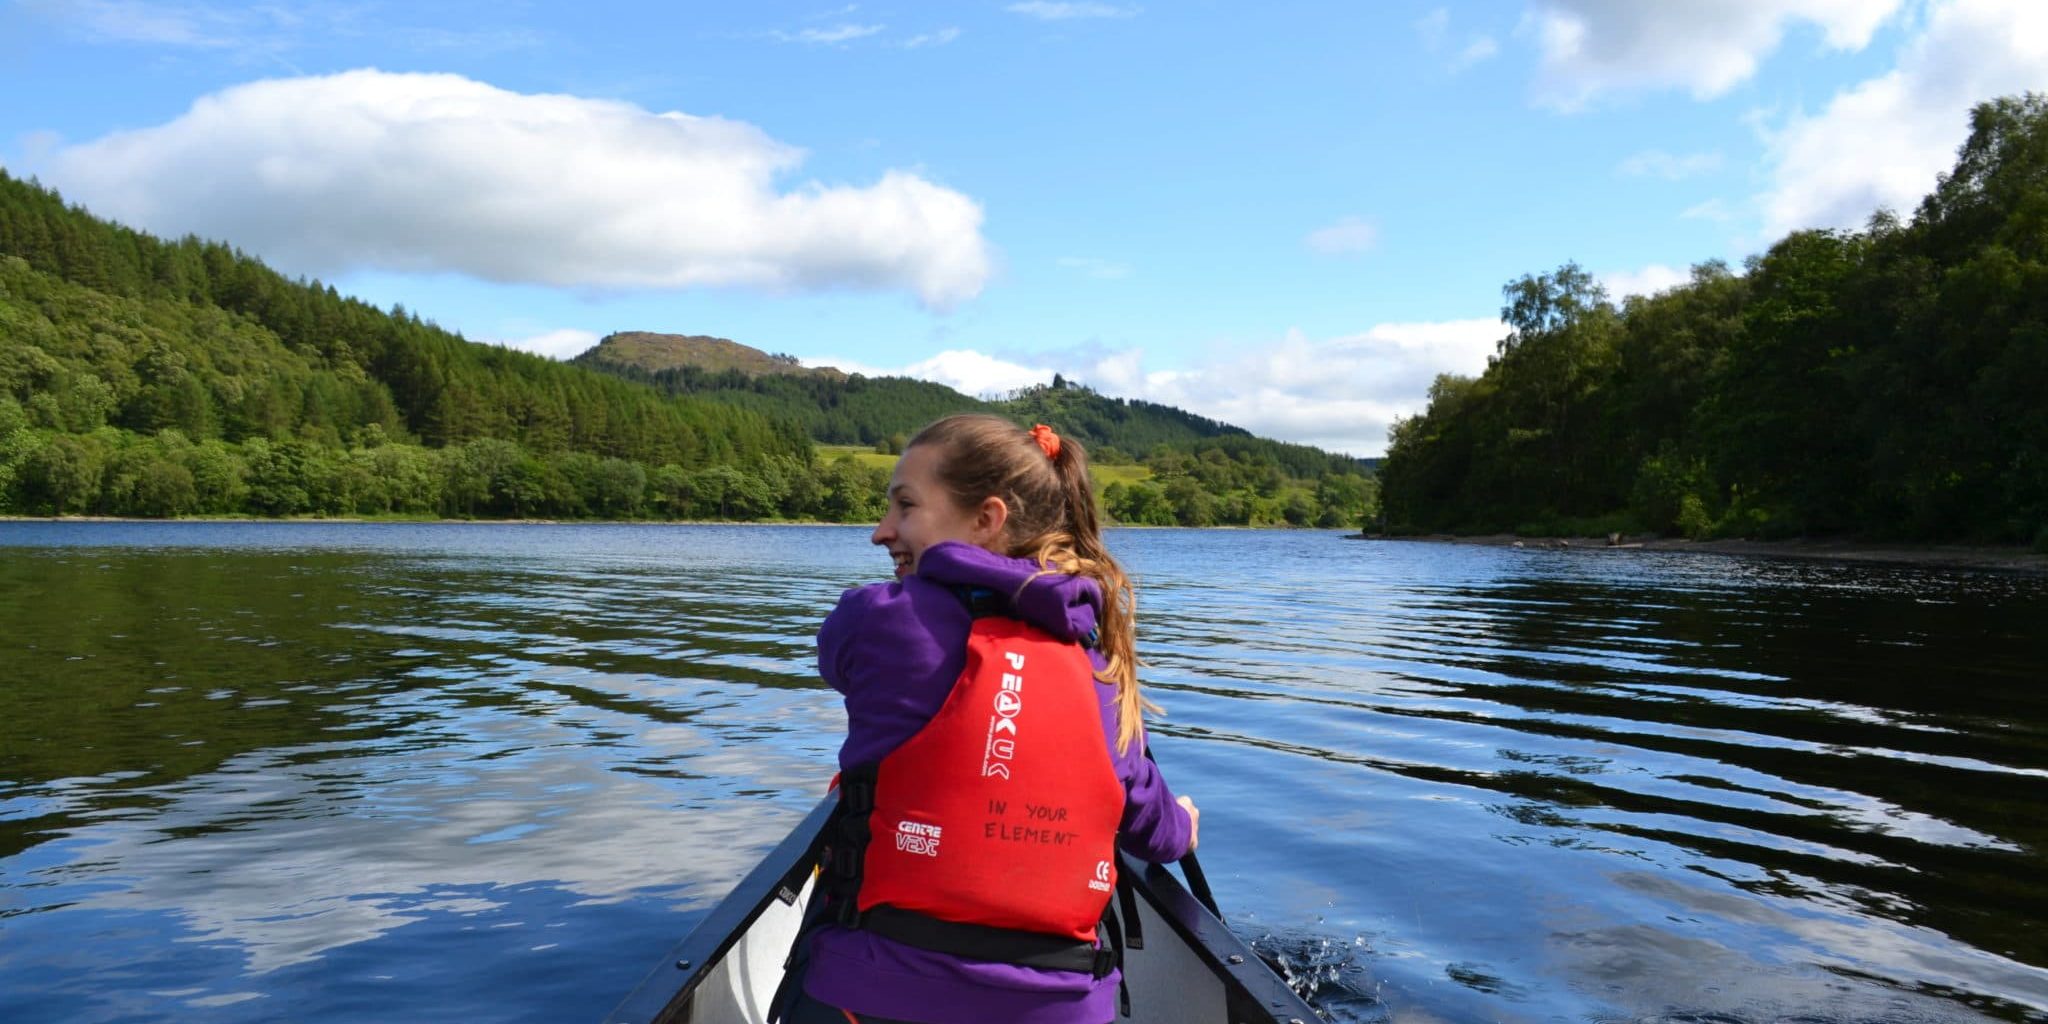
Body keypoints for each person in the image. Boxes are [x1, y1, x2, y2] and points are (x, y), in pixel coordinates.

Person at [785, 414, 1199, 1024]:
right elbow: (1153, 831)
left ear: (987, 519)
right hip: (1058, 1007)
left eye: (904, 506)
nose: (882, 532)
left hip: (869, 995)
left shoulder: (876, 617)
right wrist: (1184, 826)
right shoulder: (1098, 666)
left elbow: (839, 662)